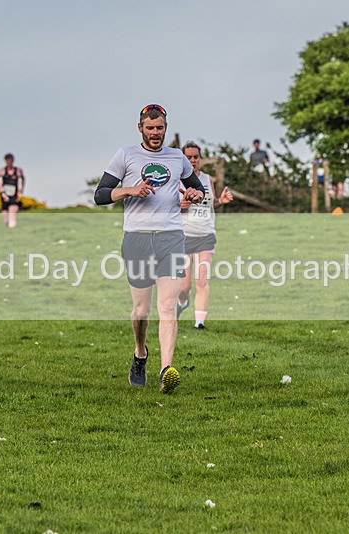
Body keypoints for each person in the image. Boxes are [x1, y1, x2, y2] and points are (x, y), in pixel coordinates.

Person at [94, 104, 205, 394]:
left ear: (166, 128)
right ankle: (140, 353)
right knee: (141, 309)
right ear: (140, 128)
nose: (155, 133)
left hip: (171, 237)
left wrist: (195, 194)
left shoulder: (177, 157)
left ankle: (166, 370)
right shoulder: (126, 155)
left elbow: (197, 188)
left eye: (160, 128)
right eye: (150, 128)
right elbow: (100, 195)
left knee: (167, 306)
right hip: (138, 238)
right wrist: (129, 190)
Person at [176, 141, 233, 330]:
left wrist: (220, 201)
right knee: (183, 287)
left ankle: (199, 322)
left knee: (201, 280)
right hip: (184, 237)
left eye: (195, 157)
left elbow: (211, 203)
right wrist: (180, 206)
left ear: (200, 159)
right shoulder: (177, 181)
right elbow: (168, 209)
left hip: (205, 235)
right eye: (188, 157)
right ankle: (182, 303)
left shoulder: (208, 180)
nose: (192, 160)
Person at [0, 152, 25, 228]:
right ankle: (8, 228)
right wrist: (1, 190)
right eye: (7, 161)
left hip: (14, 195)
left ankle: (12, 226)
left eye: (10, 161)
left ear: (13, 161)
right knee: (6, 219)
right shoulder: (2, 170)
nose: (9, 163)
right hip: (4, 195)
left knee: (12, 213)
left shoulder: (18, 170)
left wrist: (21, 190)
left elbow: (23, 178)